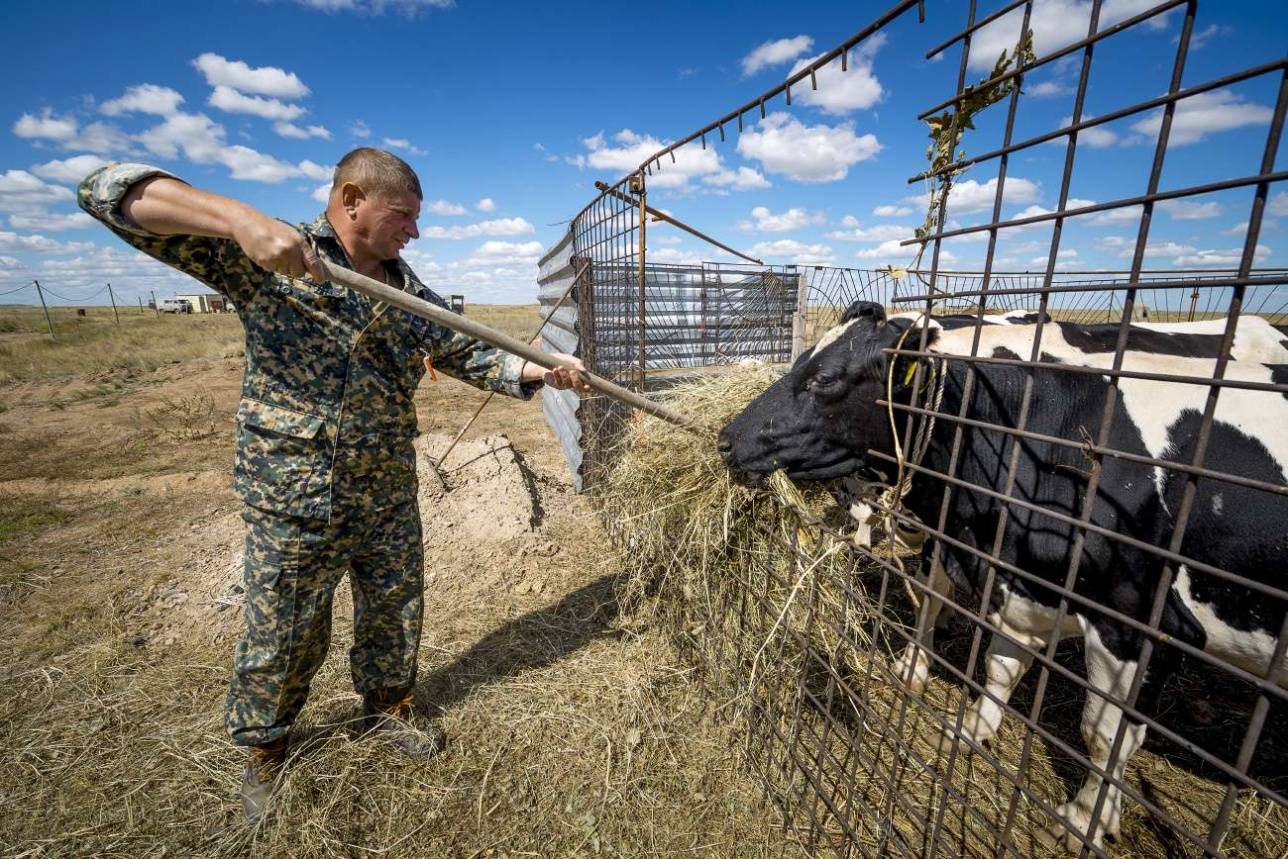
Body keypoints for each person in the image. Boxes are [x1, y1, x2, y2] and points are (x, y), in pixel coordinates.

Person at [78, 147, 590, 824]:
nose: (414, 231)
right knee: (285, 630)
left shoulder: (408, 292)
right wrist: (237, 218)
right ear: (351, 200)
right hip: (295, 494)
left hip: (384, 490)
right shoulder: (268, 258)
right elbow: (105, 192)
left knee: (395, 610)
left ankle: (385, 707)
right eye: (403, 215)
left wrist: (540, 371)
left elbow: (467, 351)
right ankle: (265, 746)